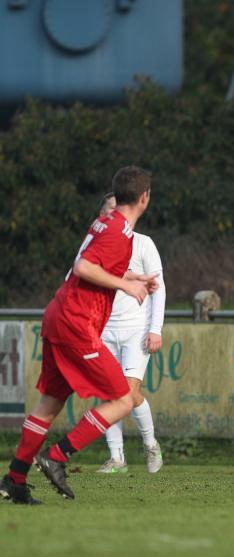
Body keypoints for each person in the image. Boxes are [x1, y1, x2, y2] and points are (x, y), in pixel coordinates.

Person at [0, 166, 157, 504]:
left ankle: (14, 478)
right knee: (122, 399)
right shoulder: (119, 230)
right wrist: (126, 285)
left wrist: (132, 279)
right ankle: (56, 457)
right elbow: (86, 266)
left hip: (59, 315)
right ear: (145, 198)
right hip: (76, 323)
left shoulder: (108, 224)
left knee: (50, 403)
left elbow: (95, 262)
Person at [96, 193, 166, 474]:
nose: (115, 215)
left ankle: (150, 444)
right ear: (102, 215)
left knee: (126, 391)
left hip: (136, 330)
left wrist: (155, 329)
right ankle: (117, 458)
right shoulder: (95, 246)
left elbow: (158, 287)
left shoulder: (143, 243)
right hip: (103, 330)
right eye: (109, 210)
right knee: (107, 393)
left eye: (118, 209)